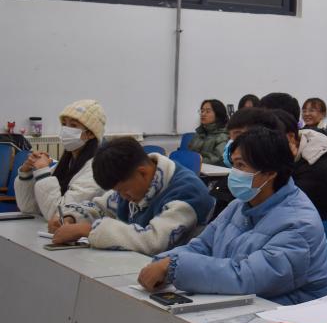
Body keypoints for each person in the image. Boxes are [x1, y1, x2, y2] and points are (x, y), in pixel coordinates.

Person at [142, 127, 327, 304]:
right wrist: (163, 262)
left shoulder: (299, 223)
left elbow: (246, 278)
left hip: (288, 314)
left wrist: (174, 267)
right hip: (245, 303)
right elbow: (203, 246)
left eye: (241, 165)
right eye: (233, 164)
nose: (234, 173)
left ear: (270, 172)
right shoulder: (239, 205)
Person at [53, 137, 214, 254]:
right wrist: (71, 218)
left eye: (123, 190)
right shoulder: (133, 183)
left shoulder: (187, 193)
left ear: (142, 173)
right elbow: (100, 207)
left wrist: (89, 230)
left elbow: (154, 241)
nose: (123, 197)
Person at [15, 100, 106, 226]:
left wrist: (42, 172)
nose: (65, 130)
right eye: (64, 124)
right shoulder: (67, 164)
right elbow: (30, 208)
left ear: (90, 134)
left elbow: (58, 216)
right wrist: (26, 173)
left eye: (73, 125)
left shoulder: (96, 171)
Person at [271, 109, 327, 222]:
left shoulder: (315, 165)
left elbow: (284, 205)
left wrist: (286, 165)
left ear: (291, 137)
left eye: (271, 140)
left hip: (317, 226)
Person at [188, 99, 230, 165]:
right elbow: (189, 153)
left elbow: (216, 159)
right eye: (202, 111)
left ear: (218, 115)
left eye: (208, 111)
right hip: (195, 167)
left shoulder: (223, 136)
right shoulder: (199, 133)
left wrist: (194, 163)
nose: (203, 114)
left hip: (210, 170)